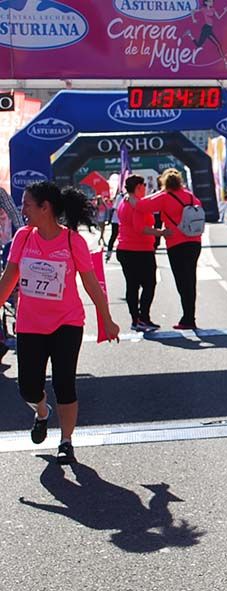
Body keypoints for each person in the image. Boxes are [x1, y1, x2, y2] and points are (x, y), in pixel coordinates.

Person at [0, 182, 120, 464]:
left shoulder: (71, 241)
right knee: (28, 386)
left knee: (65, 383)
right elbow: (9, 278)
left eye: (28, 204)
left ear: (46, 208)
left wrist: (108, 319)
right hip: (30, 323)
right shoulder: (23, 238)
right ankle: (42, 413)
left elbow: (91, 283)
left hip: (67, 322)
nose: (23, 210)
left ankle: (66, 441)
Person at [130, 168, 203, 330]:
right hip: (195, 240)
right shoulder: (191, 196)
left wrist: (129, 196)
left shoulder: (164, 197)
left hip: (176, 242)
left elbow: (141, 206)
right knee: (191, 279)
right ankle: (190, 315)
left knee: (182, 281)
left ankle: (188, 318)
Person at [117, 175, 169, 332]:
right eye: (144, 186)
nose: (145, 189)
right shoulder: (136, 205)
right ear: (139, 187)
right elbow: (141, 228)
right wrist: (161, 232)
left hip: (126, 248)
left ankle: (136, 318)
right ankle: (143, 317)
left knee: (132, 286)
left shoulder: (124, 201)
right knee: (149, 285)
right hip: (139, 250)